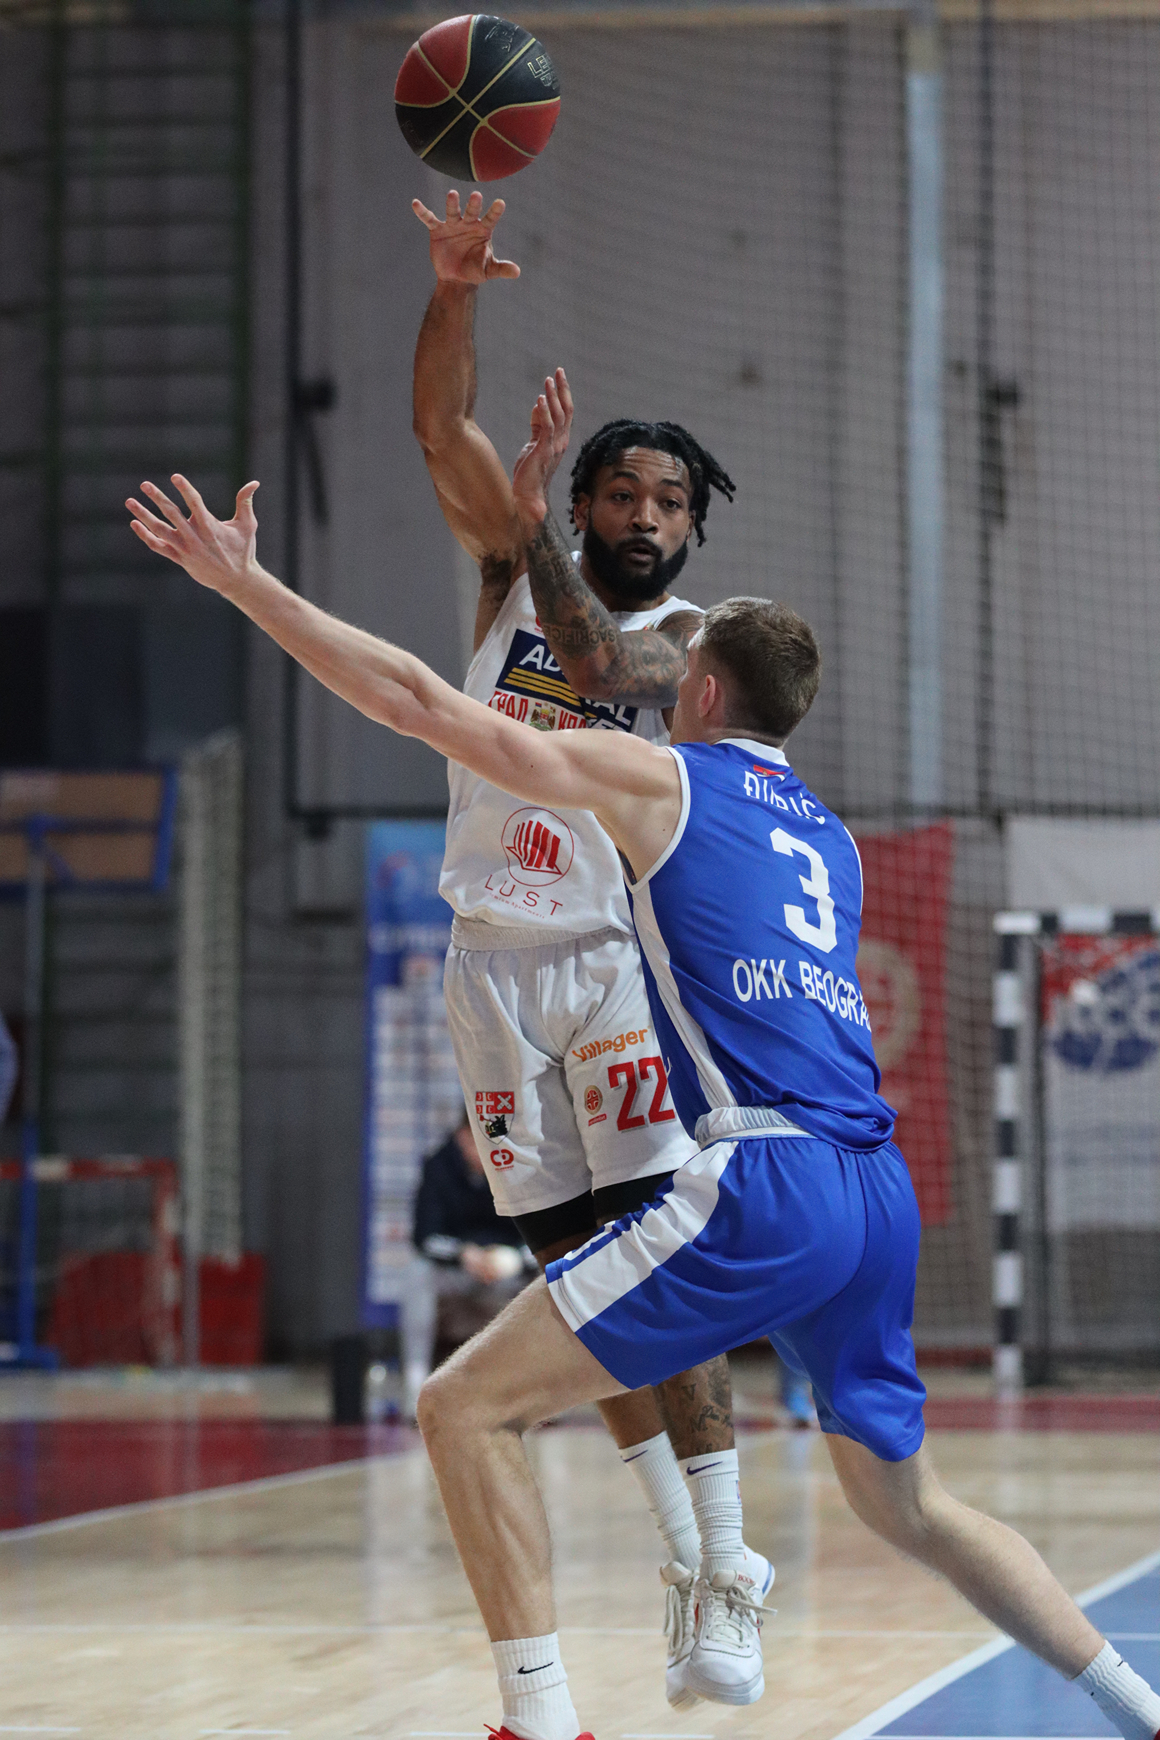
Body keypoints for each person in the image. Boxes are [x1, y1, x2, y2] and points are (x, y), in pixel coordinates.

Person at [125, 440, 1160, 1740]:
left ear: (702, 689)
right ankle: (1137, 1708)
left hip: (769, 1178)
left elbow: (420, 702)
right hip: (874, 1195)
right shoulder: (830, 842)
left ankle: (543, 1720)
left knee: (461, 1408)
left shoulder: (665, 776)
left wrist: (249, 585)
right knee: (913, 1507)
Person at [409, 187, 769, 1708]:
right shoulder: (510, 570)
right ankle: (686, 1552)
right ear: (588, 507)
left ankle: (731, 1558)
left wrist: (536, 520)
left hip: (604, 965)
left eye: (662, 502)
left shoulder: (696, 641)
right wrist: (452, 289)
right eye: (616, 494)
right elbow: (440, 429)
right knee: (571, 1268)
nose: (638, 516)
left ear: (690, 527)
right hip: (485, 967)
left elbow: (603, 663)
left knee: (649, 1251)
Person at [403, 1111, 535, 1419]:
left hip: (506, 1276)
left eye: (493, 1142)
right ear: (462, 1136)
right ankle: (415, 1392)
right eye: (478, 1142)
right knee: (417, 1273)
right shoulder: (438, 1167)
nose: (486, 1152)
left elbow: (541, 1237)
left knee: (549, 1275)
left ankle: (537, 1394)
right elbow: (424, 1237)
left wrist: (512, 1259)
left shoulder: (515, 1166)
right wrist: (464, 1254)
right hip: (457, 1272)